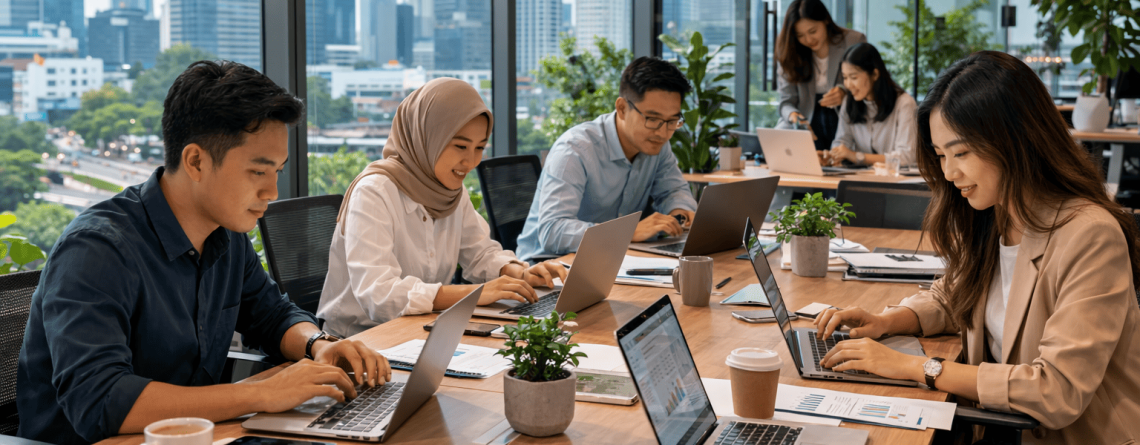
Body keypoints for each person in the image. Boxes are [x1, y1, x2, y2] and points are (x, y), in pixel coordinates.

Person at [17, 61, 389, 445]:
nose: (272, 192)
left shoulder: (225, 235)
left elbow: (271, 313)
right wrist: (262, 393)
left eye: (278, 170)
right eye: (257, 172)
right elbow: (101, 402)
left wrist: (318, 346)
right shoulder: (97, 250)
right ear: (196, 161)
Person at [814, 51, 1140, 444]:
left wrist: (916, 367)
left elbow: (1056, 391)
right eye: (940, 156)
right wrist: (889, 321)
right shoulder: (997, 212)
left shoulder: (1090, 235)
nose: (949, 173)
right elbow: (955, 294)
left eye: (961, 153)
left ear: (1015, 139)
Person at [317, 78, 567, 337]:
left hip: (422, 331)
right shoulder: (374, 192)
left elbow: (480, 254)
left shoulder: (449, 191)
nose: (470, 161)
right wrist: (473, 294)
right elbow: (379, 295)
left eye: (479, 147)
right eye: (460, 145)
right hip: (358, 341)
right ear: (427, 137)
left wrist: (519, 273)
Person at [514, 56, 698, 261]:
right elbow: (553, 230)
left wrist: (680, 213)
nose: (663, 133)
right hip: (548, 268)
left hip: (610, 259)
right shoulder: (574, 150)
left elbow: (673, 191)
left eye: (672, 121)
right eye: (652, 119)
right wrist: (626, 233)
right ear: (622, 108)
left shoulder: (656, 144)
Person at [775, 0, 866, 152]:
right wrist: (794, 116)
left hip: (844, 116)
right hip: (805, 121)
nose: (808, 40)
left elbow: (868, 84)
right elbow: (785, 102)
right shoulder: (789, 51)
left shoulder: (853, 41)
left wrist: (844, 92)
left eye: (812, 31)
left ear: (825, 20)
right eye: (800, 35)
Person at [826, 42, 917, 167]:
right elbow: (841, 142)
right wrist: (832, 156)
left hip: (896, 181)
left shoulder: (905, 104)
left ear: (874, 74)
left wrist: (857, 156)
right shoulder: (848, 102)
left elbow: (906, 157)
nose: (848, 85)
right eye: (845, 78)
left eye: (853, 77)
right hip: (861, 178)